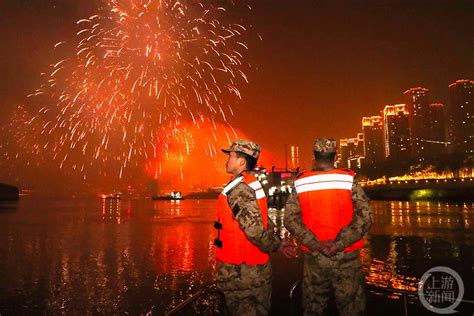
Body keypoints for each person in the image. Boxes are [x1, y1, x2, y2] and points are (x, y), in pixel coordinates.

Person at [284, 138, 373, 316]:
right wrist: (338, 244)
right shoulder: (348, 179)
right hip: (346, 257)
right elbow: (365, 217)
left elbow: (290, 219)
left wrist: (316, 244)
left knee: (314, 308)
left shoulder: (301, 182)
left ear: (314, 156)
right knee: (352, 308)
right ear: (336, 156)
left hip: (315, 259)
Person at [214, 139, 286, 315]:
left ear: (241, 161)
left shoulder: (240, 190)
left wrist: (277, 245)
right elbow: (264, 219)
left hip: (242, 273)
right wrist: (279, 242)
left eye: (230, 156)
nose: (226, 160)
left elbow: (254, 229)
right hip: (249, 270)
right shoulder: (249, 183)